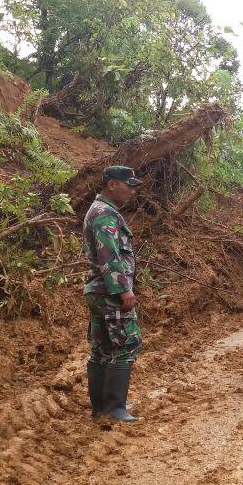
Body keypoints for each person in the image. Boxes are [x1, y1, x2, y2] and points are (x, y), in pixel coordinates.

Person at [83, 165, 144, 423]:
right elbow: (109, 254)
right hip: (109, 291)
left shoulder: (99, 211)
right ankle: (116, 408)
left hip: (98, 290)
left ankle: (101, 407)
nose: (132, 190)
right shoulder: (105, 213)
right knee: (127, 341)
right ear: (111, 184)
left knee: (103, 347)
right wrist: (123, 289)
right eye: (127, 184)